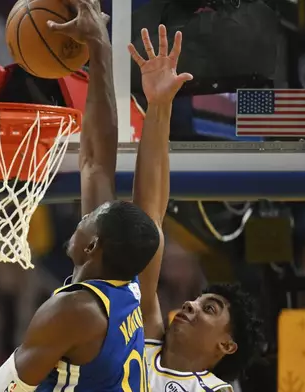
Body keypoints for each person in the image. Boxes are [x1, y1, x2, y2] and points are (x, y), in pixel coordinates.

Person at [0, 1, 161, 391]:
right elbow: (95, 161)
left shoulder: (76, 309)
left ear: (93, 245)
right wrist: (98, 49)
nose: (80, 217)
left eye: (85, 219)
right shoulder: (122, 289)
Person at [128, 25, 265, 391]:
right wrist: (158, 107)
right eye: (200, 302)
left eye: (209, 309)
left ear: (226, 345)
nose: (189, 305)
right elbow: (149, 221)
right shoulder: (146, 340)